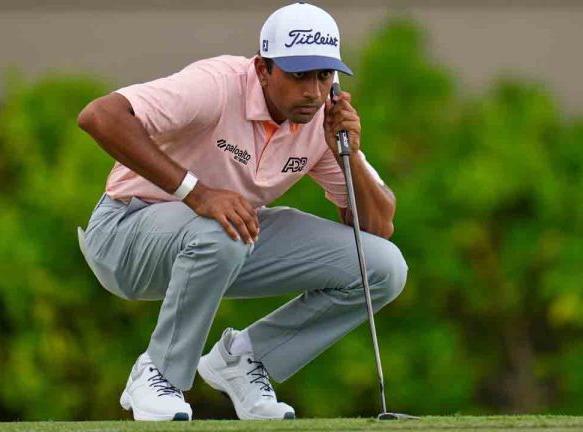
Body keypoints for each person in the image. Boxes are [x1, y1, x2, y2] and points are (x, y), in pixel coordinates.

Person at [76, 2, 407, 422]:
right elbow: (99, 116)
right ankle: (158, 374)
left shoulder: (324, 122)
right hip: (125, 232)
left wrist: (351, 155)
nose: (313, 91)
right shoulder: (216, 85)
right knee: (222, 227)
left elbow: (378, 226)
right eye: (298, 74)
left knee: (380, 267)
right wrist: (197, 193)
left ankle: (244, 359)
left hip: (221, 241)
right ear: (264, 69)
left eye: (324, 76)